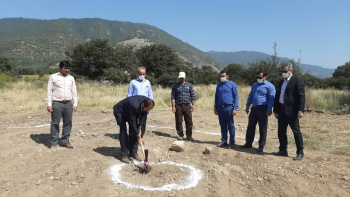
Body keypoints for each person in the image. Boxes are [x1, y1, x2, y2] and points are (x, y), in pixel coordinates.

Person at [273, 63, 305, 160]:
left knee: (296, 132)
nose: (283, 73)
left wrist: (300, 110)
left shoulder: (297, 81)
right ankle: (283, 150)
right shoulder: (281, 82)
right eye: (282, 71)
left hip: (292, 111)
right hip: (282, 110)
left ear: (291, 71)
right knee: (281, 131)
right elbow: (278, 96)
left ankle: (300, 152)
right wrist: (276, 110)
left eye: (285, 71)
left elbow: (301, 97)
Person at [241, 71, 275, 154]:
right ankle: (248, 143)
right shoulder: (254, 85)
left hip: (263, 109)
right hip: (254, 108)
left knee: (262, 128)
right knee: (251, 126)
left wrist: (270, 109)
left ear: (265, 77)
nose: (259, 79)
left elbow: (271, 98)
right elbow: (251, 96)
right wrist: (247, 106)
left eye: (260, 77)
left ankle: (261, 146)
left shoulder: (270, 86)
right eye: (258, 77)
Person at [113, 95, 155, 164]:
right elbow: (132, 123)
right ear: (143, 105)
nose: (147, 111)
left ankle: (133, 152)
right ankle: (124, 154)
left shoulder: (148, 103)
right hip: (120, 111)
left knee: (137, 130)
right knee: (123, 130)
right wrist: (138, 137)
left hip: (132, 111)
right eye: (146, 109)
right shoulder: (133, 105)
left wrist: (140, 129)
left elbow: (143, 117)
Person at [46, 60, 78, 149]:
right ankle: (54, 142)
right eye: (64, 68)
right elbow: (49, 91)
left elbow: (74, 91)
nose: (66, 70)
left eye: (68, 68)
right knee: (55, 123)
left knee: (68, 123)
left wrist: (75, 104)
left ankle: (65, 141)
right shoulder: (53, 77)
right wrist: (49, 104)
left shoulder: (71, 78)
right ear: (60, 68)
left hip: (68, 103)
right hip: (57, 103)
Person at [214, 70, 239, 148]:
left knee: (230, 125)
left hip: (229, 108)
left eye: (223, 76)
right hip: (220, 108)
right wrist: (215, 107)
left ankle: (232, 142)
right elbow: (216, 97)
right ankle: (224, 141)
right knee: (222, 125)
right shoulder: (218, 85)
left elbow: (236, 96)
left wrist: (235, 108)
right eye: (221, 76)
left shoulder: (232, 84)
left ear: (227, 76)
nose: (222, 78)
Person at [127, 67, 153, 138]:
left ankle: (140, 138)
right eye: (140, 74)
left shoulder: (148, 83)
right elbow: (129, 95)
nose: (142, 75)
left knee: (142, 123)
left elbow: (150, 94)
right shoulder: (133, 82)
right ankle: (132, 138)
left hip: (145, 107)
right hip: (135, 107)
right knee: (134, 123)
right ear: (137, 73)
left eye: (143, 74)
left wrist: (149, 108)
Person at [171, 72, 195, 141]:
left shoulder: (189, 85)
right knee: (178, 121)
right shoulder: (175, 86)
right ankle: (180, 135)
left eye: (183, 78)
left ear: (185, 78)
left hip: (187, 105)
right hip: (178, 106)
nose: (181, 79)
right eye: (180, 78)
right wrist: (173, 106)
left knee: (189, 121)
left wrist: (193, 105)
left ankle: (189, 135)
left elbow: (192, 96)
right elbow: (173, 97)